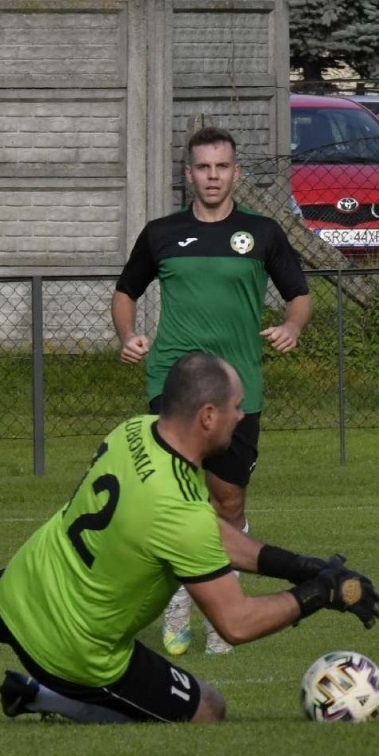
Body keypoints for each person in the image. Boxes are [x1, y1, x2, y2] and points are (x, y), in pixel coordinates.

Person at [0, 352, 379, 724]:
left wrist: (298, 565)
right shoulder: (178, 509)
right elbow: (236, 623)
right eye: (238, 408)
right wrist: (320, 596)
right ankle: (48, 698)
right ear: (207, 418)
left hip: (29, 583)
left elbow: (211, 534)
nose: (244, 417)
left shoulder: (136, 431)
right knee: (208, 710)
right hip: (79, 649)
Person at [112, 125, 312, 657]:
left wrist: (292, 328)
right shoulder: (161, 233)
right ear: (189, 175)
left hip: (236, 388)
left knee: (227, 498)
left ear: (236, 173)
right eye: (203, 167)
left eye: (222, 167)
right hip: (173, 385)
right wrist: (128, 336)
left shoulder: (262, 233)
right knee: (176, 498)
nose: (213, 176)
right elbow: (125, 290)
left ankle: (227, 601)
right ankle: (179, 596)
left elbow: (299, 295)